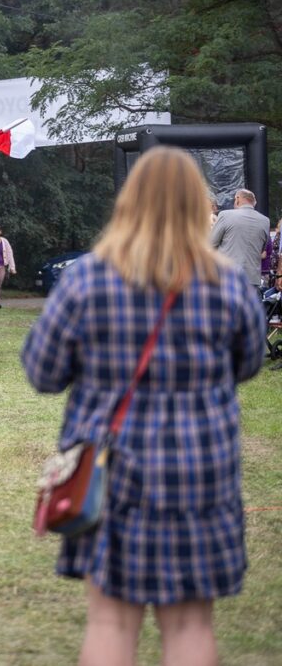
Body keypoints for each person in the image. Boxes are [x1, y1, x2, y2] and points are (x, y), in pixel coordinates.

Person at [21, 147, 264, 666]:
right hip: (203, 472)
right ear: (198, 207)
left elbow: (42, 372)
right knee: (192, 625)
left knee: (110, 621)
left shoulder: (87, 281)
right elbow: (249, 364)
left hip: (113, 470)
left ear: (129, 204)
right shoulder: (229, 286)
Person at [210, 188, 270, 287]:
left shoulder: (225, 215)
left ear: (237, 199)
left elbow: (211, 244)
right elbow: (261, 249)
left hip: (228, 278)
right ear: (253, 202)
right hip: (252, 280)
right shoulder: (265, 221)